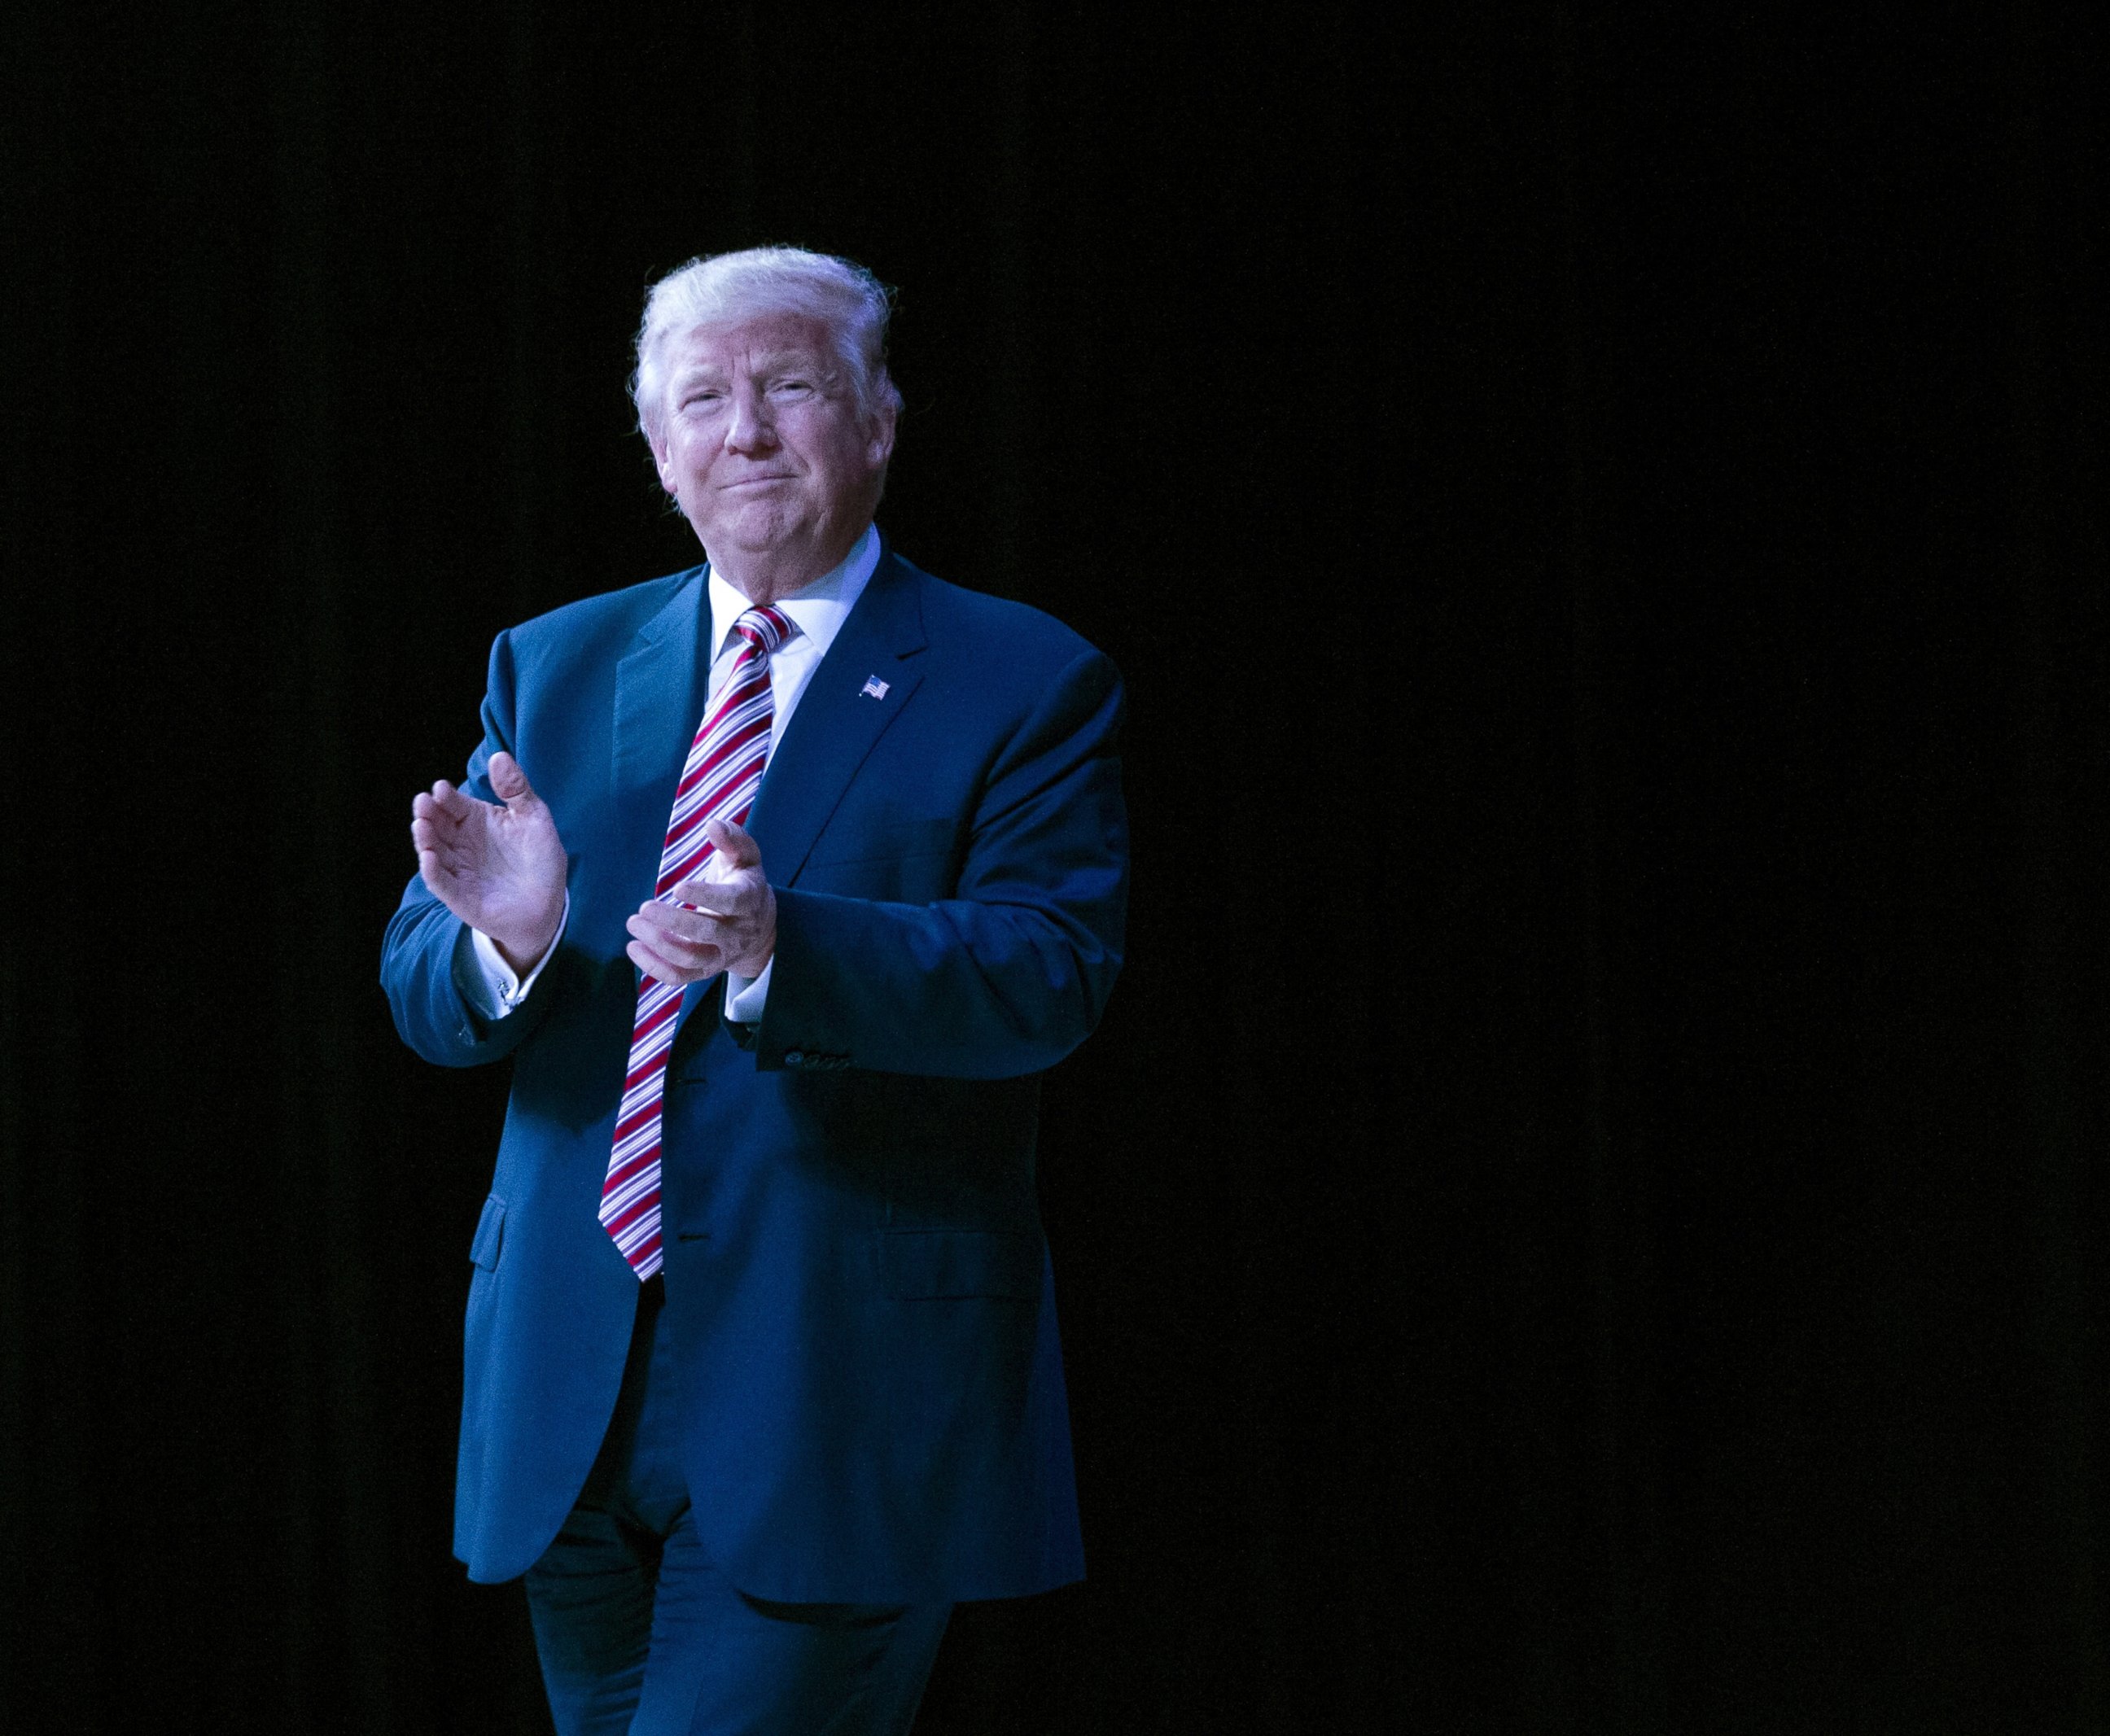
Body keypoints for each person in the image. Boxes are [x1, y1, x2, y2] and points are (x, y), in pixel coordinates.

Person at [380, 246, 1127, 1734]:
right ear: (659, 451)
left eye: (790, 386)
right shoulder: (555, 663)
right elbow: (424, 982)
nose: (748, 430)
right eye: (703, 400)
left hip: (835, 1386)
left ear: (878, 419)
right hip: (571, 1381)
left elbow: (1051, 972)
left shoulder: (1022, 676)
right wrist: (511, 941)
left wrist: (787, 945)